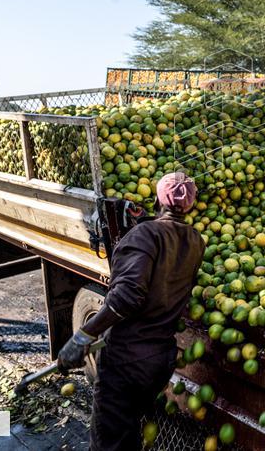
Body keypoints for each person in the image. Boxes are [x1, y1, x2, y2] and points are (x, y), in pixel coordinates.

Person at [57, 171, 205, 451]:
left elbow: (126, 296)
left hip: (128, 360)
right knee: (128, 431)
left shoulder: (145, 234)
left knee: (109, 441)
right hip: (159, 361)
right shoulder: (196, 241)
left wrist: (83, 335)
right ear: (191, 206)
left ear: (157, 200)